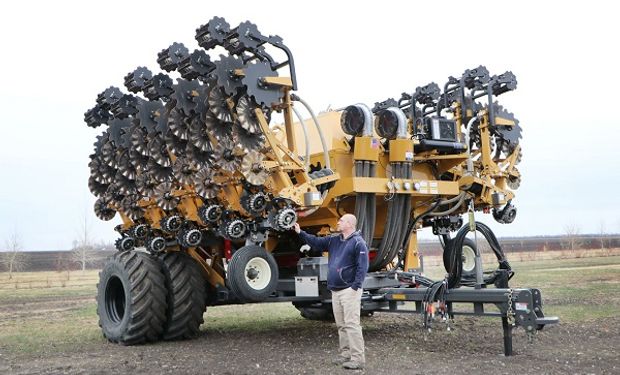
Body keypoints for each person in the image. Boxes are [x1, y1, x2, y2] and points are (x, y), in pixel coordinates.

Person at [293, 214, 369, 370]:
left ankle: (358, 358)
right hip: (336, 290)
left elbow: (362, 267)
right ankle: (345, 354)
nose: (338, 222)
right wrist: (300, 232)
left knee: (352, 325)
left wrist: (355, 287)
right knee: (341, 325)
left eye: (341, 221)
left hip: (350, 290)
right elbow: (315, 241)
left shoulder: (358, 243)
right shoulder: (334, 240)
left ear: (349, 224)